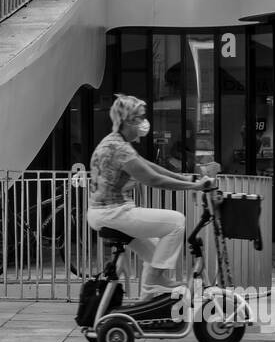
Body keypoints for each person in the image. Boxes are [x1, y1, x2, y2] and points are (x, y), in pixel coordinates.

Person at [85, 95, 214, 299]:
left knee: (154, 253)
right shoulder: (120, 149)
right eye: (141, 117)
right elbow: (154, 180)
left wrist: (185, 178)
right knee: (176, 222)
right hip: (114, 212)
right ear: (129, 120)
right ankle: (152, 284)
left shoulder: (115, 142)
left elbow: (150, 167)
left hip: (103, 212)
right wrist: (195, 186)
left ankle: (147, 297)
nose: (145, 122)